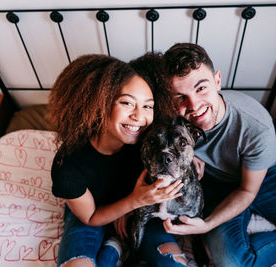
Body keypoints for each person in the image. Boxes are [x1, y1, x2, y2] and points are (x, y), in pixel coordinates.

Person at [162, 43, 276, 266]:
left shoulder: (255, 124)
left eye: (201, 88)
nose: (193, 105)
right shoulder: (169, 118)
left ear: (218, 80)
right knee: (230, 263)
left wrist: (208, 224)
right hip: (215, 186)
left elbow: (248, 191)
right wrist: (187, 155)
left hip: (266, 178)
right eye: (181, 97)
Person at [48, 54, 185, 267]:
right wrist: (133, 201)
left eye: (148, 106)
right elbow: (91, 217)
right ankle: (114, 249)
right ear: (100, 103)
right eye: (127, 103)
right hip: (95, 210)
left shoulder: (150, 140)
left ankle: (114, 249)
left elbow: (182, 138)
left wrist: (193, 159)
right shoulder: (68, 164)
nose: (139, 117)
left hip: (142, 210)